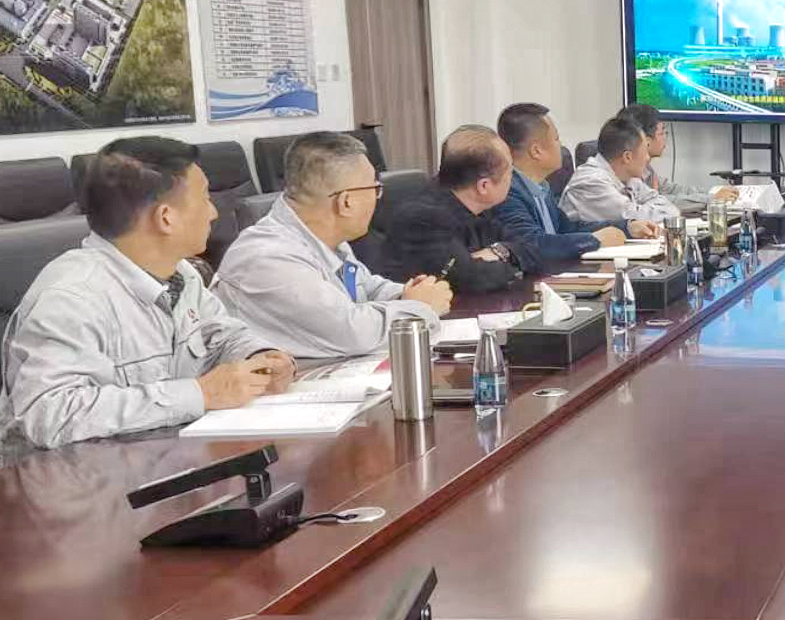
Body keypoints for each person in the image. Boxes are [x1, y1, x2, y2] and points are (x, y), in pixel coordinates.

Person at [1, 137, 294, 450]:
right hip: (73, 473)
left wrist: (258, 357)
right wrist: (199, 394)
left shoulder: (181, 274)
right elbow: (49, 415)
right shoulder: (71, 298)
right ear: (166, 217)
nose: (213, 212)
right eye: (204, 198)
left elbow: (221, 336)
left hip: (163, 457)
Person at [215, 132, 453, 359]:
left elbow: (366, 288)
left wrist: (409, 294)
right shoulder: (267, 257)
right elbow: (351, 332)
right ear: (346, 202)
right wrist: (419, 307)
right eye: (375, 189)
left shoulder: (322, 238)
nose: (377, 197)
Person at [493, 102, 656, 272]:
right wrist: (595, 240)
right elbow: (532, 245)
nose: (561, 145)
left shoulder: (540, 187)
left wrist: (627, 227)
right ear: (536, 151)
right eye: (556, 139)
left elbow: (569, 228)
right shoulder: (507, 192)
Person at [385, 125, 526, 295]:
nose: (513, 178)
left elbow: (527, 246)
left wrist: (498, 251)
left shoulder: (481, 205)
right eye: (509, 172)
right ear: (484, 186)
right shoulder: (424, 218)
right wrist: (508, 261)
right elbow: (472, 278)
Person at [616, 103, 737, 214]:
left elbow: (672, 190)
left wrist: (713, 192)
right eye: (662, 133)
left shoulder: (647, 169)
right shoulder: (628, 173)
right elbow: (662, 202)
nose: (665, 138)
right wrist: (712, 199)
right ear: (645, 140)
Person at [558, 116, 674, 225]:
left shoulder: (627, 178)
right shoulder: (590, 183)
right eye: (645, 152)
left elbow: (669, 209)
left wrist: (641, 209)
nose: (648, 158)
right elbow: (634, 217)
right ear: (627, 157)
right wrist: (642, 209)